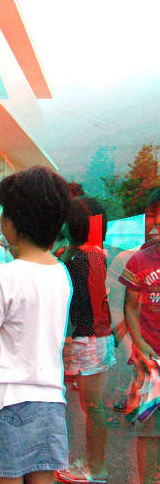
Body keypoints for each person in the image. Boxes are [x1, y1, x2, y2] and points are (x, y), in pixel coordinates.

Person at [0, 166, 72, 484]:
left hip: (6, 399)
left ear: (13, 223)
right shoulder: (61, 274)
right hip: (50, 400)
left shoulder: (2, 276)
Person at [57, 197, 114, 483]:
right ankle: (91, 463)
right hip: (98, 338)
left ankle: (96, 468)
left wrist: (67, 341)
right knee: (90, 405)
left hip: (86, 339)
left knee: (91, 406)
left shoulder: (79, 260)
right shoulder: (94, 254)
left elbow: (77, 306)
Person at [119, 188, 160, 484]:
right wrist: (141, 345)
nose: (156, 221)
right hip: (150, 363)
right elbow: (130, 308)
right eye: (152, 214)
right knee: (148, 429)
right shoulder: (138, 261)